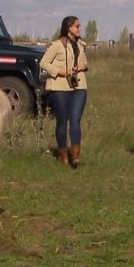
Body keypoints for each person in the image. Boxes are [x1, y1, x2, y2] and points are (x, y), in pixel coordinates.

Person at [40, 16, 89, 168]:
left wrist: (83, 66)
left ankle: (75, 157)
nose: (80, 28)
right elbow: (43, 63)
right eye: (77, 26)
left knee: (75, 120)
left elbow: (85, 63)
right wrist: (60, 71)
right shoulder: (56, 45)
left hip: (79, 86)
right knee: (62, 121)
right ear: (69, 28)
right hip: (59, 86)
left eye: (80, 26)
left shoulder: (81, 44)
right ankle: (63, 157)